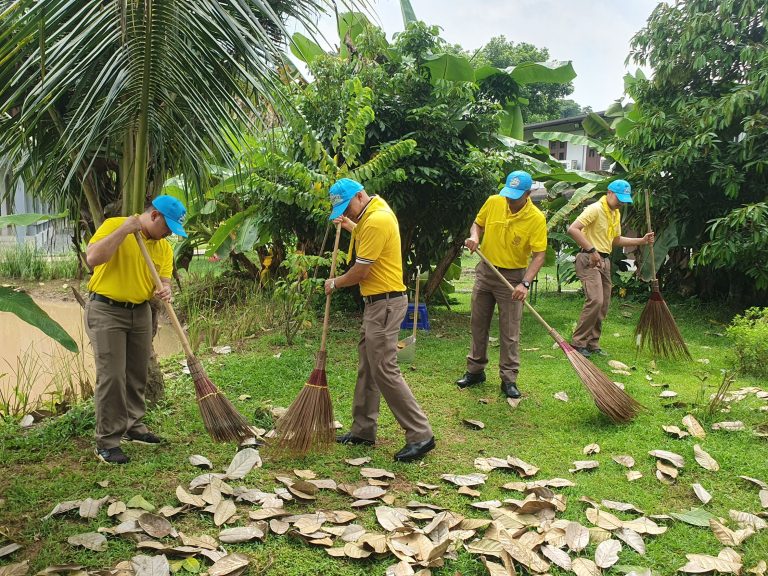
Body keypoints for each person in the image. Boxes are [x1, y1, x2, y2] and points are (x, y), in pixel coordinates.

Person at [324, 178, 435, 463]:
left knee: (384, 368)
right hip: (378, 303)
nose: (345, 213)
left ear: (359, 196)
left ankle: (421, 434)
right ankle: (363, 430)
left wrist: (334, 283)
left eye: (347, 207)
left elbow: (361, 271)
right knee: (368, 365)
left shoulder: (376, 220)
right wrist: (350, 227)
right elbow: (365, 232)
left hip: (385, 303)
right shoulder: (374, 210)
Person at [85, 195, 187, 464]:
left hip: (141, 312)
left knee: (137, 372)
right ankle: (107, 441)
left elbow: (163, 281)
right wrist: (123, 231)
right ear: (154, 216)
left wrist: (165, 290)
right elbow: (93, 258)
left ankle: (134, 427)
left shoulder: (163, 248)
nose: (168, 234)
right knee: (112, 376)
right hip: (106, 310)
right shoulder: (114, 225)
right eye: (167, 227)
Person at [456, 170, 547, 399]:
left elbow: (539, 255)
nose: (509, 199)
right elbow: (477, 224)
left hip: (513, 278)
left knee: (510, 331)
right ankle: (475, 371)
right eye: (508, 193)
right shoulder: (494, 201)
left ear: (528, 193)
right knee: (478, 323)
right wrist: (475, 237)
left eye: (515, 196)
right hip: (486, 271)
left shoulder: (536, 218)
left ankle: (509, 379)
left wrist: (525, 283)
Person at [567, 179, 654, 356]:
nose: (621, 202)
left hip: (604, 261)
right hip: (588, 259)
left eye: (624, 199)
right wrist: (592, 251)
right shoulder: (594, 209)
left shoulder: (615, 214)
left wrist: (642, 241)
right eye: (619, 198)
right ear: (609, 192)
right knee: (596, 300)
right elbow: (573, 229)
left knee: (604, 304)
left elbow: (615, 240)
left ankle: (592, 343)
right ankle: (578, 342)